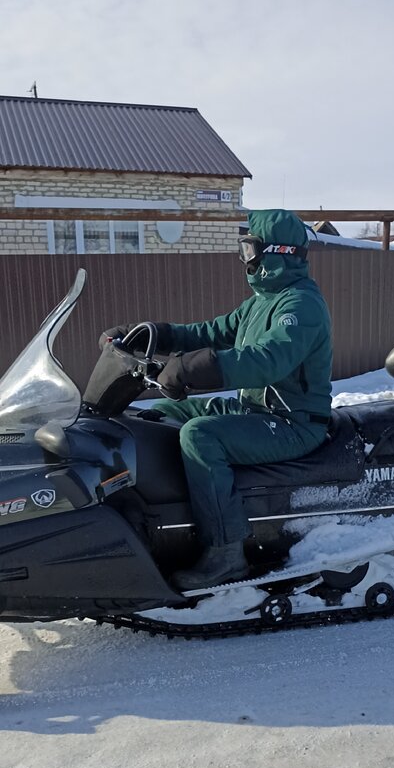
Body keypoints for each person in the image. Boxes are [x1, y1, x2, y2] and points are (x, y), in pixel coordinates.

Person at [100, 209, 332, 589]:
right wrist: (152, 334)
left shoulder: (301, 305)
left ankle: (226, 552)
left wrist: (193, 369)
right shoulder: (261, 302)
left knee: (201, 436)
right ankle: (169, 522)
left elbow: (268, 361)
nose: (246, 258)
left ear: (274, 252)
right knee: (160, 412)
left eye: (250, 248)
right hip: (256, 409)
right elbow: (209, 331)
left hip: (295, 422)